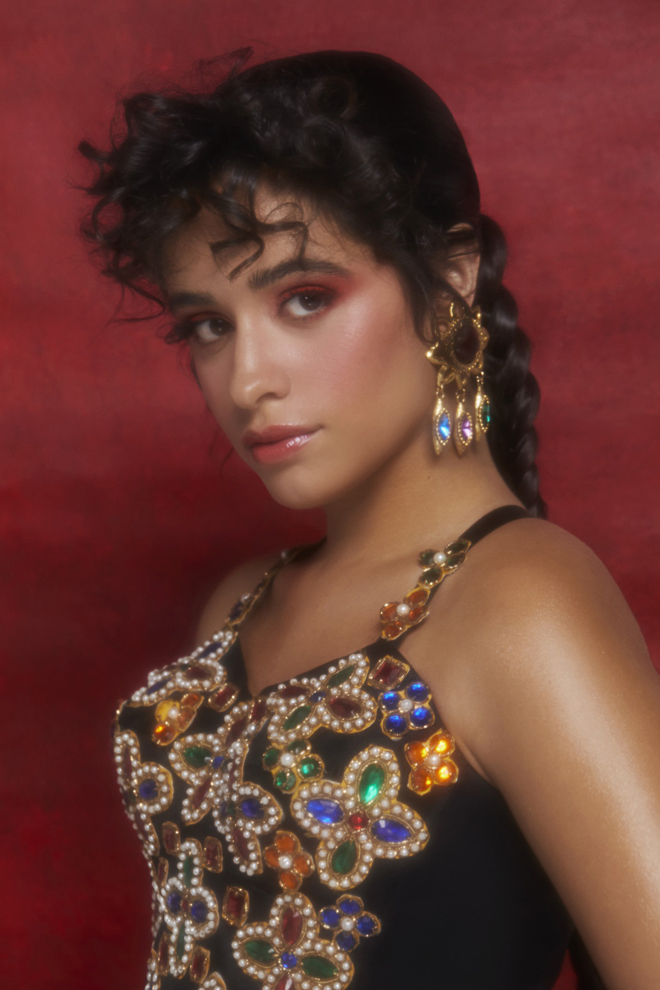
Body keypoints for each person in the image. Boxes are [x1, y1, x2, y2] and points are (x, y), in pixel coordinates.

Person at [79, 50, 660, 990]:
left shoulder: (521, 601)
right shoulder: (243, 603)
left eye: (305, 299)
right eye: (209, 325)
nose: (248, 379)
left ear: (452, 277)